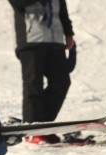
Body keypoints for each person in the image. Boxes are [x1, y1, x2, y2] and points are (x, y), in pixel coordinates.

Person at [8, 0, 75, 144]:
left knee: (62, 82)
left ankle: (42, 127)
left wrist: (68, 33)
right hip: (31, 39)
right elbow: (18, 3)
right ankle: (33, 131)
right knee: (33, 84)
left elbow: (62, 10)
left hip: (55, 40)